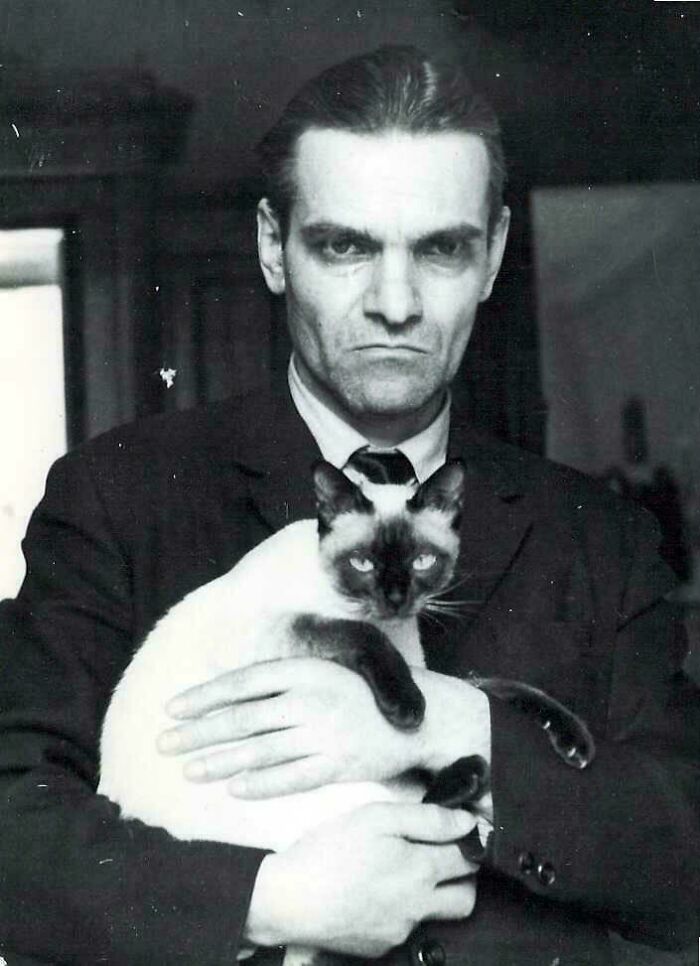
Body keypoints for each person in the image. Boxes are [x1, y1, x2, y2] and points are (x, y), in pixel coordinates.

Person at [0, 44, 699, 966]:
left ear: (491, 258)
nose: (396, 303)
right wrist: (264, 899)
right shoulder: (118, 495)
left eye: (441, 248)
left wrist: (460, 725)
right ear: (271, 249)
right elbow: (14, 832)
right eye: (346, 244)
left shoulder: (598, 538)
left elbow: (685, 853)